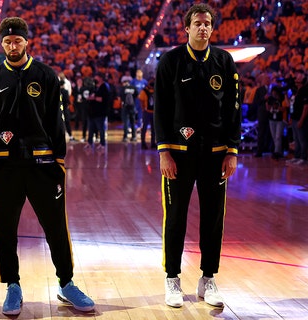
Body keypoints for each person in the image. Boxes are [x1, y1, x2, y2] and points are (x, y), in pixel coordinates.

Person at [0, 17, 95, 315]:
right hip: (3, 167)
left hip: (43, 165)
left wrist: (58, 159)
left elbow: (57, 122)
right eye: (7, 41)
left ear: (27, 41)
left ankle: (66, 284)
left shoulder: (46, 75)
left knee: (56, 228)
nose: (12, 46)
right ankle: (12, 286)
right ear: (1, 43)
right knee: (4, 230)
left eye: (17, 41)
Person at [154, 3, 241, 309]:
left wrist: (232, 151)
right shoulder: (171, 61)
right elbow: (160, 110)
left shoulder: (224, 61)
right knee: (175, 218)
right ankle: (172, 278)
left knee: (213, 219)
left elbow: (234, 109)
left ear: (211, 28)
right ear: (186, 28)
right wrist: (164, 151)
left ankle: (208, 278)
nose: (203, 28)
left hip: (216, 156)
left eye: (207, 24)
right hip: (178, 155)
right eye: (197, 23)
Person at [287, 69, 308, 165]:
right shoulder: (297, 91)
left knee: (302, 139)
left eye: (298, 78)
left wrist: (301, 120)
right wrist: (291, 117)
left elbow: (306, 107)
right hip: (295, 118)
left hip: (300, 119)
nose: (296, 80)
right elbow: (292, 105)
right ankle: (296, 156)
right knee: (296, 139)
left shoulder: (305, 90)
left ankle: (303, 158)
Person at [85, 73, 110, 150]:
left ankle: (102, 143)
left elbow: (103, 99)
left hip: (100, 112)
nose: (95, 79)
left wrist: (94, 98)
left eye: (96, 77)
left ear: (100, 78)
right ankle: (89, 142)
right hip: (92, 112)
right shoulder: (94, 87)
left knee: (100, 128)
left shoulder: (104, 87)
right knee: (90, 128)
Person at [266, 86, 287, 159]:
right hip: (271, 119)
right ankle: (278, 151)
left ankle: (276, 152)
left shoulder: (282, 98)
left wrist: (277, 107)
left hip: (280, 119)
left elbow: (284, 108)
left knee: (278, 136)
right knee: (274, 136)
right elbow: (267, 108)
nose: (274, 93)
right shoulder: (270, 99)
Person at [139, 78, 156, 149]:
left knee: (154, 129)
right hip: (147, 112)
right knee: (144, 128)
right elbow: (141, 100)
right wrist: (143, 109)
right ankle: (143, 143)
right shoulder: (144, 91)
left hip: (154, 112)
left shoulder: (156, 90)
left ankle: (153, 143)